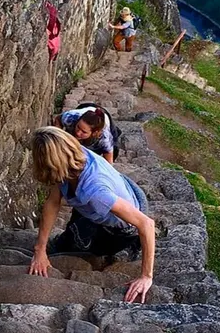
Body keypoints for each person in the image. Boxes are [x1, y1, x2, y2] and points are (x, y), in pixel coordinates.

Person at [27, 127, 155, 303]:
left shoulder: (96, 193)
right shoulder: (71, 156)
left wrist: (146, 276)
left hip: (122, 225)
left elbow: (146, 224)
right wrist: (39, 249)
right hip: (117, 192)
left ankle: (130, 246)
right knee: (65, 240)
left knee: (78, 246)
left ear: (51, 164)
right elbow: (53, 201)